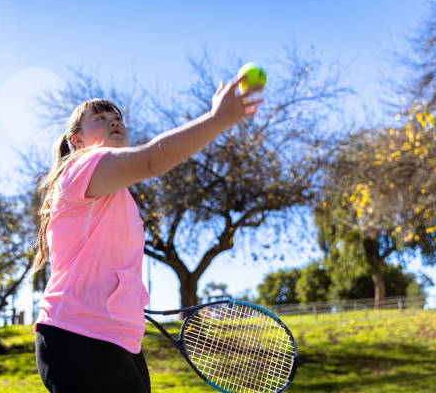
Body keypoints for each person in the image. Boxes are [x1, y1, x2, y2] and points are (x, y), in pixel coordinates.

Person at [32, 73, 263, 393]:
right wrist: (216, 119)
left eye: (117, 117)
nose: (114, 122)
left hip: (120, 340)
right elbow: (153, 160)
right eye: (100, 118)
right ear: (77, 141)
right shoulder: (81, 167)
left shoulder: (118, 197)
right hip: (77, 336)